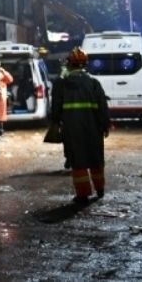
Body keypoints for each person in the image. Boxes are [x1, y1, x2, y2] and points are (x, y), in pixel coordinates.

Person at [49, 47, 111, 204]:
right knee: (96, 158)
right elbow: (103, 107)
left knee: (78, 161)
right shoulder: (94, 83)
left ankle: (83, 195)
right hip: (93, 127)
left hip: (71, 127)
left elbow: (56, 106)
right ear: (85, 64)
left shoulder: (61, 84)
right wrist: (105, 125)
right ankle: (100, 189)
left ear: (69, 64)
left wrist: (55, 123)